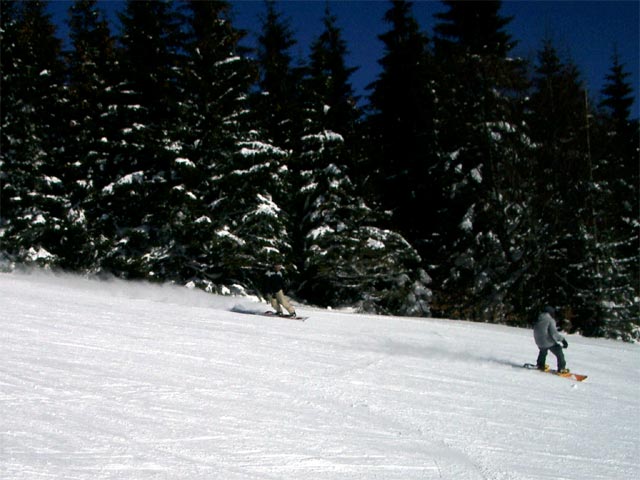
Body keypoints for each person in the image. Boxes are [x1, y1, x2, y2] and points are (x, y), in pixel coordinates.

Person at [533, 306, 569, 373]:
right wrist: (563, 340)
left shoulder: (538, 318)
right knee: (559, 351)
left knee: (543, 351)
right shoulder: (550, 320)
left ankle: (540, 364)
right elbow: (554, 333)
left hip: (538, 341)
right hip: (547, 341)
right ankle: (562, 368)